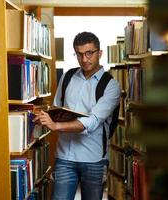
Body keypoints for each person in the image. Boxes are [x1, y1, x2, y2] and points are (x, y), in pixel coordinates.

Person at [33, 31, 121, 200]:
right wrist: (44, 117)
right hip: (64, 156)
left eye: (89, 53)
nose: (85, 59)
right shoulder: (67, 77)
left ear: (99, 53)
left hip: (93, 159)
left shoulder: (111, 86)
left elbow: (93, 121)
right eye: (79, 54)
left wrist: (56, 126)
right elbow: (57, 109)